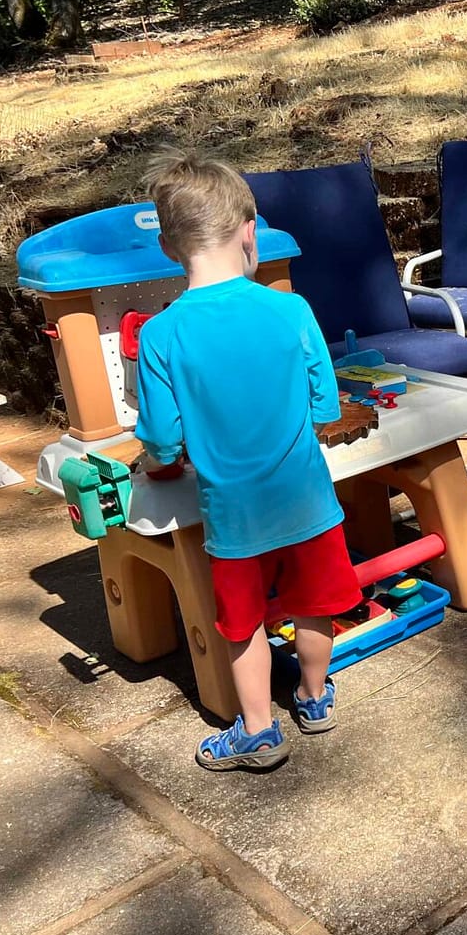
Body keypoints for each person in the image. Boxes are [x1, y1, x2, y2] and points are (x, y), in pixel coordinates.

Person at [134, 150, 363, 770]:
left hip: (232, 517)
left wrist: (164, 456)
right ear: (248, 232)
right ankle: (315, 699)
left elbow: (159, 435)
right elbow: (323, 405)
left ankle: (258, 730)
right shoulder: (290, 308)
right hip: (308, 500)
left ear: (169, 250)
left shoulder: (160, 334)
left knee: (242, 626)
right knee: (315, 603)